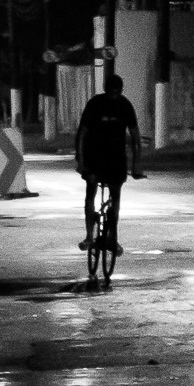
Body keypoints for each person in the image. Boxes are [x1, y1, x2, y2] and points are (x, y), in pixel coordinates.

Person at [75, 71, 143, 254]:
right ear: (105, 90)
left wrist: (137, 164)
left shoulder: (125, 105)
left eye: (117, 92)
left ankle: (113, 238)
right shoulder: (95, 104)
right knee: (90, 192)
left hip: (116, 159)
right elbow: (82, 134)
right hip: (94, 157)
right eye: (111, 92)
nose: (114, 95)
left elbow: (135, 137)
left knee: (116, 197)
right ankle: (89, 236)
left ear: (121, 91)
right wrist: (81, 160)